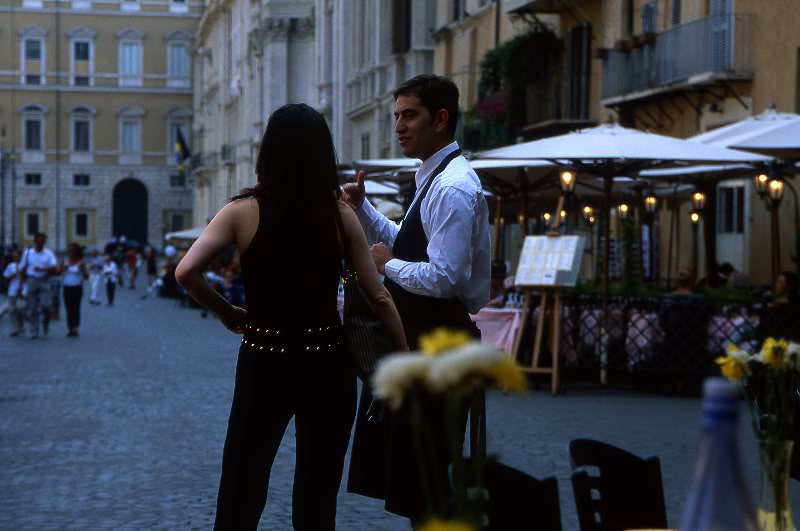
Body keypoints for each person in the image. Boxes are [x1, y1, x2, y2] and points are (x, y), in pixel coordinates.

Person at [175, 103, 407, 531]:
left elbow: (186, 272)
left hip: (265, 360)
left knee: (242, 487)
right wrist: (405, 356)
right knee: (317, 498)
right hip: (327, 362)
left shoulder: (242, 211)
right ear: (324, 153)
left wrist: (227, 311)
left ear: (268, 151)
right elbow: (378, 296)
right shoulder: (339, 215)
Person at [342, 74, 491, 521]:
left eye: (410, 115)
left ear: (440, 118)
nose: (399, 126)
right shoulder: (434, 178)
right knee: (415, 480)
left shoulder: (452, 187)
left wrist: (387, 265)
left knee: (426, 483)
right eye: (396, 117)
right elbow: (408, 246)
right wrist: (364, 210)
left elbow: (445, 277)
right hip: (425, 343)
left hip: (438, 344)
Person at [19, 233, 59, 338]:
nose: (40, 243)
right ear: (35, 241)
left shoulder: (49, 254)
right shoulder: (27, 253)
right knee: (32, 308)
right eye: (38, 241)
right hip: (31, 280)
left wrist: (43, 269)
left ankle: (45, 323)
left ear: (44, 242)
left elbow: (54, 268)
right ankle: (34, 329)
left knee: (45, 306)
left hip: (44, 280)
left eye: (42, 241)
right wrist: (21, 284)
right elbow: (22, 268)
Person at [61, 242, 88, 337]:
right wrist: (62, 268)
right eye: (69, 250)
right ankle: (70, 328)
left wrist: (82, 270)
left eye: (73, 250)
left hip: (77, 287)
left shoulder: (80, 262)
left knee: (76, 307)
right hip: (67, 287)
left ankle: (75, 328)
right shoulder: (65, 261)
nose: (71, 252)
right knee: (68, 307)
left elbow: (86, 277)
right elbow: (59, 272)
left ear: (76, 251)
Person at [3, 249, 25, 336]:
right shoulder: (11, 266)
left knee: (20, 309)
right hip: (12, 291)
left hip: (22, 291)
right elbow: (5, 277)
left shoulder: (24, 266)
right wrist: (11, 276)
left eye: (17, 255)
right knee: (12, 310)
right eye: (14, 256)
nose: (15, 257)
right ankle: (14, 328)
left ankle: (21, 325)